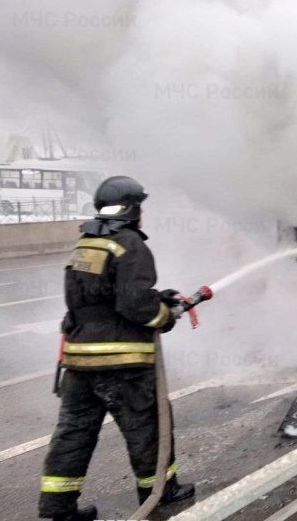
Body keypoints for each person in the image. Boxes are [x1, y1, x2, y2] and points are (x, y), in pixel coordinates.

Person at [39, 176, 195, 521]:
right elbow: (134, 305)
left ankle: (57, 508)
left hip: (79, 363)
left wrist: (159, 297)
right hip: (122, 363)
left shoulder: (87, 243)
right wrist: (165, 315)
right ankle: (160, 492)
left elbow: (96, 297)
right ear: (133, 208)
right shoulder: (129, 244)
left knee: (74, 433)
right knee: (147, 427)